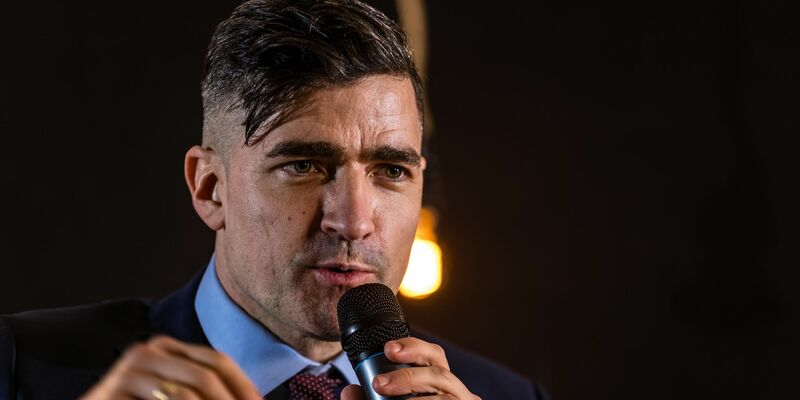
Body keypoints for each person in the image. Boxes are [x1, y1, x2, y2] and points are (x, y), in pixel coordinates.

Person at [0, 1, 549, 399]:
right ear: (209, 188)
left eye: (391, 170)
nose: (354, 222)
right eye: (303, 166)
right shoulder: (20, 366)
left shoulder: (511, 396)